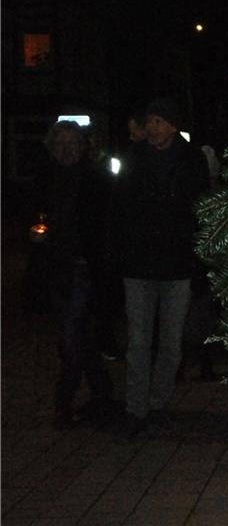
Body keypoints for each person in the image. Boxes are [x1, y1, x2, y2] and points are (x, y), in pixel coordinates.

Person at [112, 97, 209, 439]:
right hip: (139, 264)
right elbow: (119, 205)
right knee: (138, 341)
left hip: (177, 264)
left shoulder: (191, 159)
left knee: (171, 342)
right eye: (149, 120)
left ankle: (158, 404)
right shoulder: (133, 158)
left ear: (170, 125)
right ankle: (135, 409)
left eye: (158, 121)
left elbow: (200, 208)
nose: (152, 127)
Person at [29, 120, 114, 428]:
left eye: (72, 144)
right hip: (54, 265)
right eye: (60, 144)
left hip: (83, 266)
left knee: (70, 335)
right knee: (80, 336)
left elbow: (104, 224)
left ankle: (63, 400)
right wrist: (36, 234)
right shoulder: (44, 178)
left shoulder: (95, 179)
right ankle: (103, 395)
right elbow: (36, 215)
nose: (66, 150)